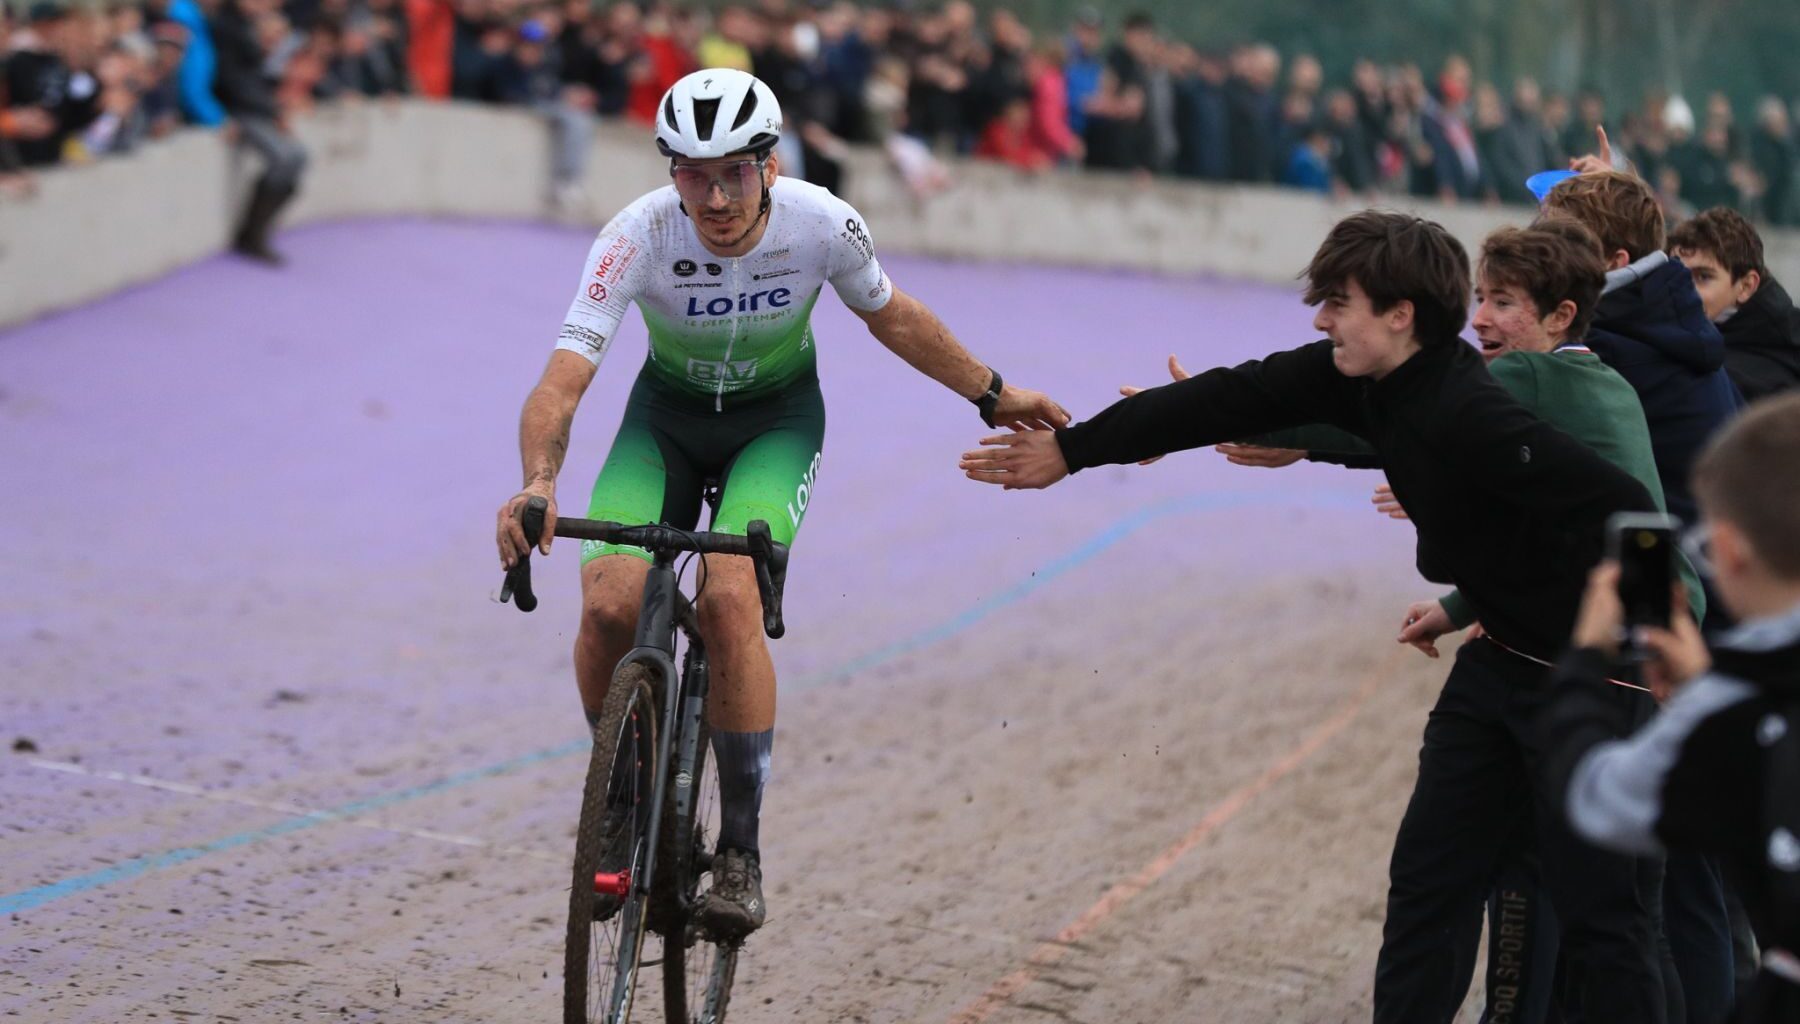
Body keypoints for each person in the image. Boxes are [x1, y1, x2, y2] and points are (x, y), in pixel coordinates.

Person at [961, 209, 1670, 1021]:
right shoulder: (1362, 379)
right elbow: (1227, 397)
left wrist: (1662, 645)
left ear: (1400, 316)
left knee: (1604, 923)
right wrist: (1075, 450)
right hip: (1500, 661)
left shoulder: (1473, 412)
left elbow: (1624, 505)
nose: (1321, 317)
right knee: (1428, 892)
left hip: (1596, 680)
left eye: (1339, 301)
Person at [494, 68, 1067, 940]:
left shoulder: (821, 223)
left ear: (771, 163)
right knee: (609, 598)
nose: (715, 197)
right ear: (670, 172)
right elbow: (562, 381)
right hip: (665, 424)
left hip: (776, 424)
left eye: (734, 172)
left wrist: (992, 393)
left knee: (729, 598)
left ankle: (741, 851)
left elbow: (896, 318)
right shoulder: (635, 236)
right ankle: (620, 796)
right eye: (692, 174)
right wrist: (538, 481)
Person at [1546, 393, 1800, 1024]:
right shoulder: (1729, 695)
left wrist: (1582, 661)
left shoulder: (1731, 706)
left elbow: (1599, 800)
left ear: (1732, 551)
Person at [210, 0, 308, 264]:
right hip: (240, 110)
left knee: (298, 155)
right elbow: (232, 81)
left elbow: (255, 78)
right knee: (283, 158)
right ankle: (251, 235)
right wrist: (271, 110)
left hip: (257, 107)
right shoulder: (226, 27)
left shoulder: (246, 26)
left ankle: (261, 228)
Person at [1668, 207, 1800, 403]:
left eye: (1703, 277)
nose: (1684, 289)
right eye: (1675, 274)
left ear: (1746, 286)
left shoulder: (1746, 383)